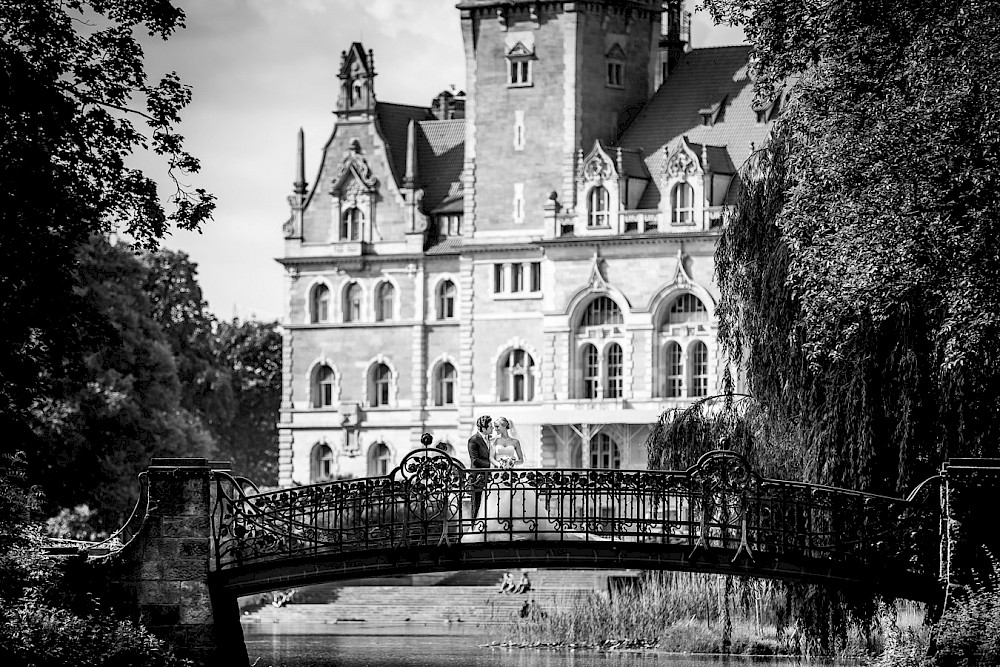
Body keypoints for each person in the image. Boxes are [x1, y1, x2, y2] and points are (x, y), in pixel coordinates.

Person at [467, 415, 493, 521]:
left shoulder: (491, 439)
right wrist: (492, 465)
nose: (492, 428)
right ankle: (475, 530)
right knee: (476, 506)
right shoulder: (473, 440)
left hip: (490, 478)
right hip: (477, 478)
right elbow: (475, 460)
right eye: (490, 426)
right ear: (483, 428)